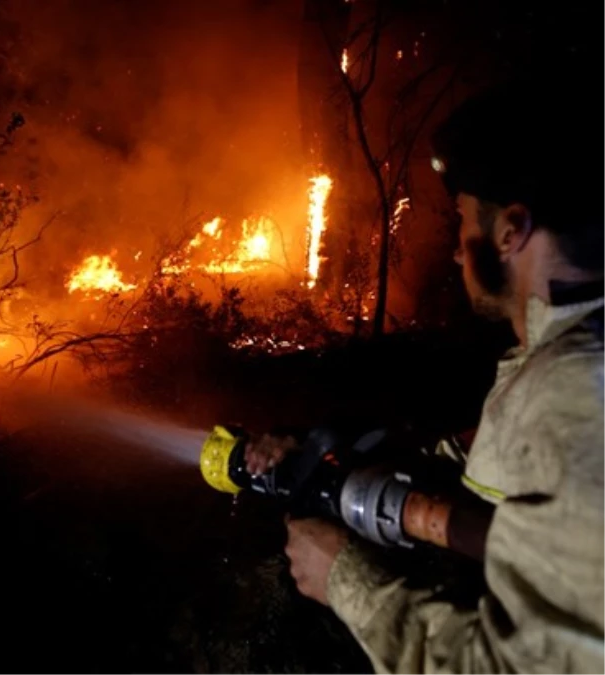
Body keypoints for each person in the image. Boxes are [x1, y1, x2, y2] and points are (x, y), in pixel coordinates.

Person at [250, 79, 605, 672]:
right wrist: (342, 465)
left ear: (510, 230)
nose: (458, 252)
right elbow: (499, 486)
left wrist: (346, 580)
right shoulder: (565, 359)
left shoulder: (574, 392)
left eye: (462, 219)